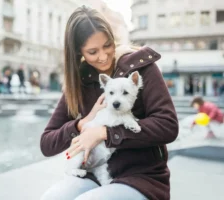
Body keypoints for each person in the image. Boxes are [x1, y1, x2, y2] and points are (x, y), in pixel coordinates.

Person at [40, 6, 178, 200]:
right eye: (93, 51)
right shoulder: (79, 82)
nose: (103, 56)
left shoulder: (142, 67)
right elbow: (47, 143)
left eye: (107, 45)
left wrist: (105, 133)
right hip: (95, 174)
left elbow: (168, 126)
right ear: (79, 52)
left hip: (142, 177)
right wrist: (83, 123)